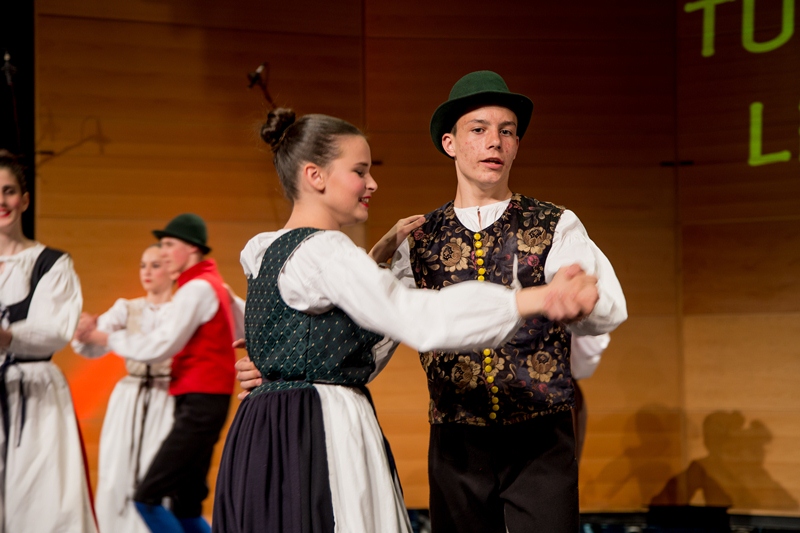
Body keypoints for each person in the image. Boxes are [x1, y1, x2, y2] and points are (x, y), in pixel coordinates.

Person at [211, 108, 599, 533]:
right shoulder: (328, 253)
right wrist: (532, 298)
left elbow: (315, 330)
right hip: (317, 428)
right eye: (360, 171)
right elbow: (420, 317)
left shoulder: (265, 250)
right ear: (315, 176)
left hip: (265, 428)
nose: (372, 183)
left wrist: (277, 366)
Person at [393, 70, 627, 533]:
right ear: (449, 143)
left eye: (506, 131)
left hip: (539, 437)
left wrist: (581, 300)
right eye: (478, 129)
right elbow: (382, 327)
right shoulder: (418, 239)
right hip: (456, 439)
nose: (493, 142)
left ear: (517, 145)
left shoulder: (555, 223)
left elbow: (606, 310)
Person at [76, 213, 241, 533]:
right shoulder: (209, 283)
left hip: (198, 401)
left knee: (148, 497)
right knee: (185, 502)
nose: (162, 253)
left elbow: (160, 344)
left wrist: (106, 338)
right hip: (194, 399)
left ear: (191, 248)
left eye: (168, 245)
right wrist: (88, 333)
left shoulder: (198, 289)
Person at [0, 150, 97, 533]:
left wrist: (7, 336)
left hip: (34, 394)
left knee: (40, 506)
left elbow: (54, 329)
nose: (1, 201)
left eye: (8, 191)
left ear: (24, 200)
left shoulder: (51, 263)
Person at [72, 244, 175, 533]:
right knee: (119, 469)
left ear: (171, 270)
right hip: (129, 398)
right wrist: (84, 330)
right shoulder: (127, 308)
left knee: (158, 469)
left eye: (155, 265)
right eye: (143, 265)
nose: (147, 271)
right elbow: (90, 343)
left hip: (167, 397)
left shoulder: (182, 309)